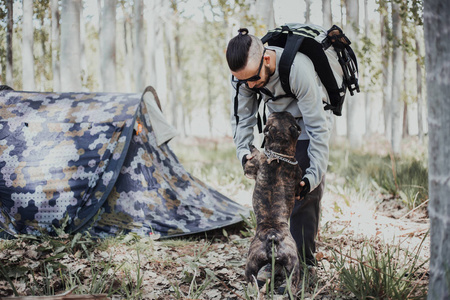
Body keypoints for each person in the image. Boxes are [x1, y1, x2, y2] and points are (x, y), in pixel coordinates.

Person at [226, 27, 336, 271]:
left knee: (303, 195)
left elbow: (318, 130)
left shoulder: (299, 70)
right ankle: (273, 259)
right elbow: (241, 120)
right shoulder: (244, 77)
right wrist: (244, 154)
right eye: (243, 81)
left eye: (253, 79)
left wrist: (311, 178)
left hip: (308, 122)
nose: (250, 86)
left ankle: (304, 264)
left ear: (266, 59)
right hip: (277, 126)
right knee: (274, 192)